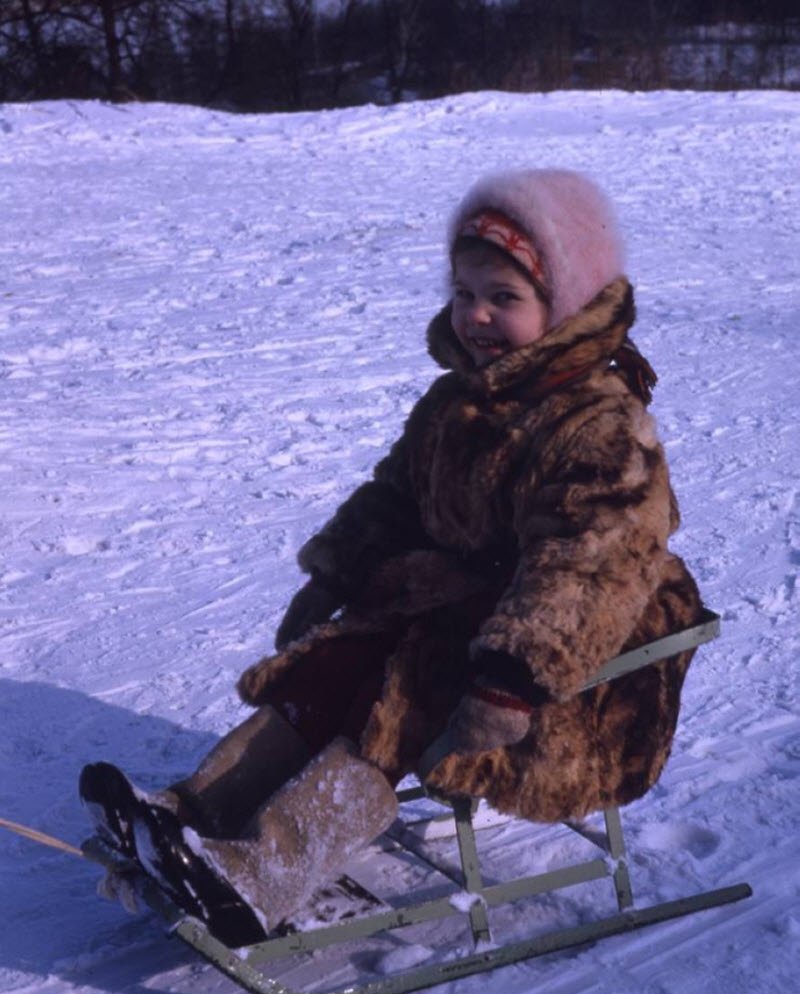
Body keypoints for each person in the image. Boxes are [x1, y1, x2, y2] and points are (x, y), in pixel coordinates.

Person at [80, 168, 703, 947]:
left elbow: (591, 563)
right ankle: (192, 814)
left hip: (577, 667)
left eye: (503, 298)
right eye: (464, 291)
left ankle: (262, 872)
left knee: (408, 684)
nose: (475, 315)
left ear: (566, 305)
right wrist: (337, 570)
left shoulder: (602, 429)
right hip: (471, 610)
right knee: (344, 660)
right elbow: (397, 496)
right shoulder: (458, 405)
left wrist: (513, 675)